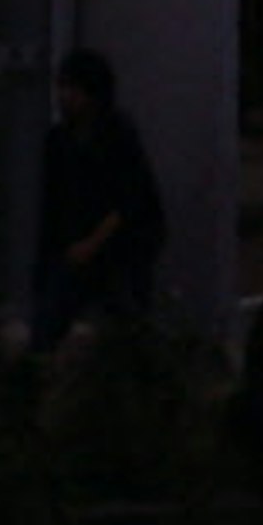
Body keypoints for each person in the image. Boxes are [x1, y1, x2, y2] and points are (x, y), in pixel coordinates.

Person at [33, 46, 168, 349]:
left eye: (72, 88)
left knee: (127, 320)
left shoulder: (116, 136)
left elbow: (131, 200)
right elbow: (53, 205)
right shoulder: (59, 141)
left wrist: (92, 244)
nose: (63, 96)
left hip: (121, 246)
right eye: (62, 87)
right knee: (49, 321)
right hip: (81, 245)